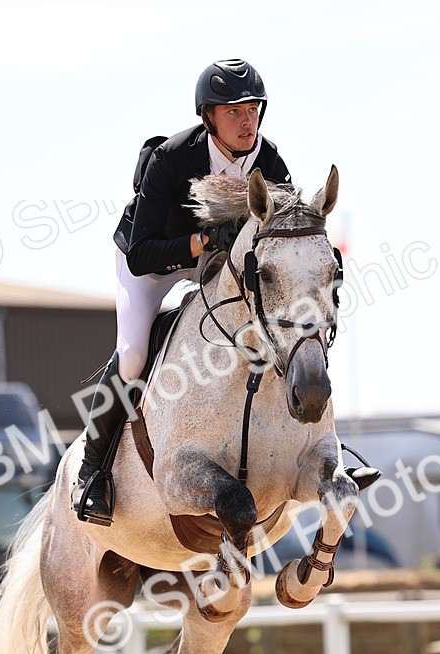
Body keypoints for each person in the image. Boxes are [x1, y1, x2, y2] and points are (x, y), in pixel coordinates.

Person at [73, 58, 291, 525]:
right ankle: (92, 475)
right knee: (132, 356)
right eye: (232, 111)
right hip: (155, 260)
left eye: (252, 108)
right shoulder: (170, 159)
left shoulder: (269, 161)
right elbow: (140, 254)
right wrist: (199, 242)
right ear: (207, 116)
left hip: (216, 266)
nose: (246, 119)